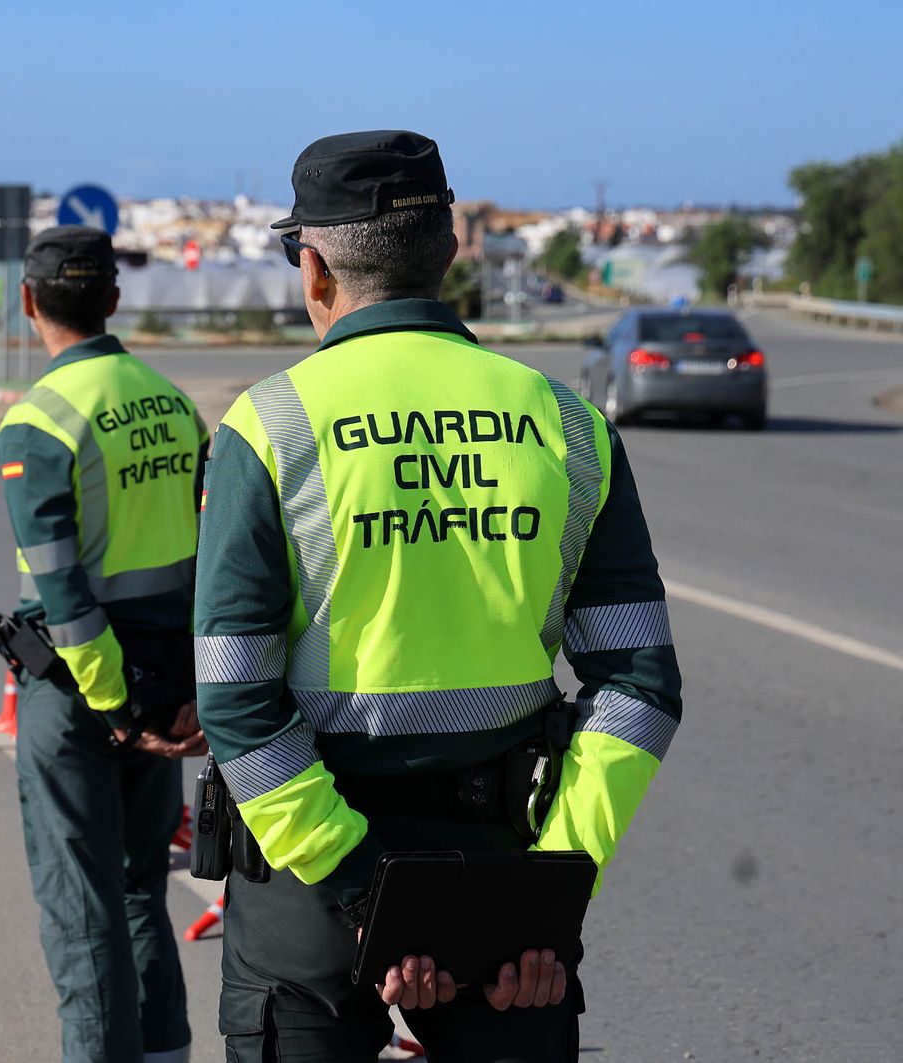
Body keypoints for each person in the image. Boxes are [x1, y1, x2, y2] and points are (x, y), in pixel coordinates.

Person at [194, 130, 683, 1060]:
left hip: (313, 890)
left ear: (314, 268)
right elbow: (640, 688)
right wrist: (551, 889)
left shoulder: (268, 428)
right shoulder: (567, 425)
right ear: (450, 251)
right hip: (504, 875)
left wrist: (366, 891)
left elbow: (237, 702)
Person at [0, 225, 209, 1063]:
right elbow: (206, 561)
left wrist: (116, 706)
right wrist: (181, 692)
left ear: (26, 303)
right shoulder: (171, 400)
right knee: (139, 890)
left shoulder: (38, 421)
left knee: (78, 904)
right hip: (165, 685)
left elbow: (62, 588)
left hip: (87, 696)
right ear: (114, 300)